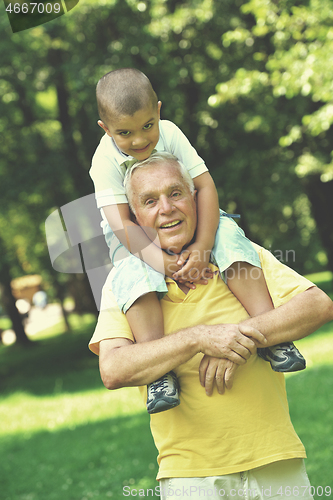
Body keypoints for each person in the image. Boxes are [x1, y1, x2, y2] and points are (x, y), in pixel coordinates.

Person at [89, 153, 333, 499]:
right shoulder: (125, 281)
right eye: (150, 201)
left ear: (195, 200)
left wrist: (236, 340)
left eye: (176, 193)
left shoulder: (239, 254)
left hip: (276, 460)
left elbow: (317, 305)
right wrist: (200, 339)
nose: (166, 208)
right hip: (191, 478)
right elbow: (113, 369)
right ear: (136, 219)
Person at [89, 68, 305, 414]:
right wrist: (161, 263)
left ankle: (272, 335)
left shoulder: (171, 133)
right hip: (130, 234)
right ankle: (159, 371)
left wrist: (203, 247)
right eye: (124, 134)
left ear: (158, 111)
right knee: (133, 274)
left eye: (148, 126)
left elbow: (204, 187)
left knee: (229, 233)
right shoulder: (104, 160)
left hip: (186, 216)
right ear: (105, 129)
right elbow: (120, 222)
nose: (140, 140)